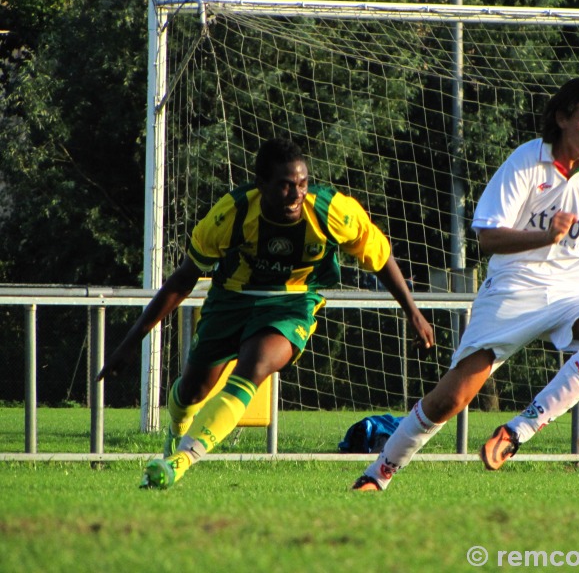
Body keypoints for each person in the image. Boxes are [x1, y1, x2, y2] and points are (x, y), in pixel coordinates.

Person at [97, 137, 435, 489]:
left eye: (302, 184)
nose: (296, 194)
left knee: (253, 368)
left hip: (292, 302)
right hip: (231, 300)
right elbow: (182, 280)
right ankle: (178, 428)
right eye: (286, 185)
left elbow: (379, 258)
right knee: (192, 392)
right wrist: (129, 342)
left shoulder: (332, 211)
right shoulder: (231, 213)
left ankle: (178, 464)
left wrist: (413, 312)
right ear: (262, 185)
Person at [353, 77, 579, 491]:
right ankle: (378, 473)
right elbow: (487, 238)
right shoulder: (526, 162)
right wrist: (546, 235)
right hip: (514, 287)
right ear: (561, 119)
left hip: (576, 289)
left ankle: (519, 430)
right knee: (450, 400)